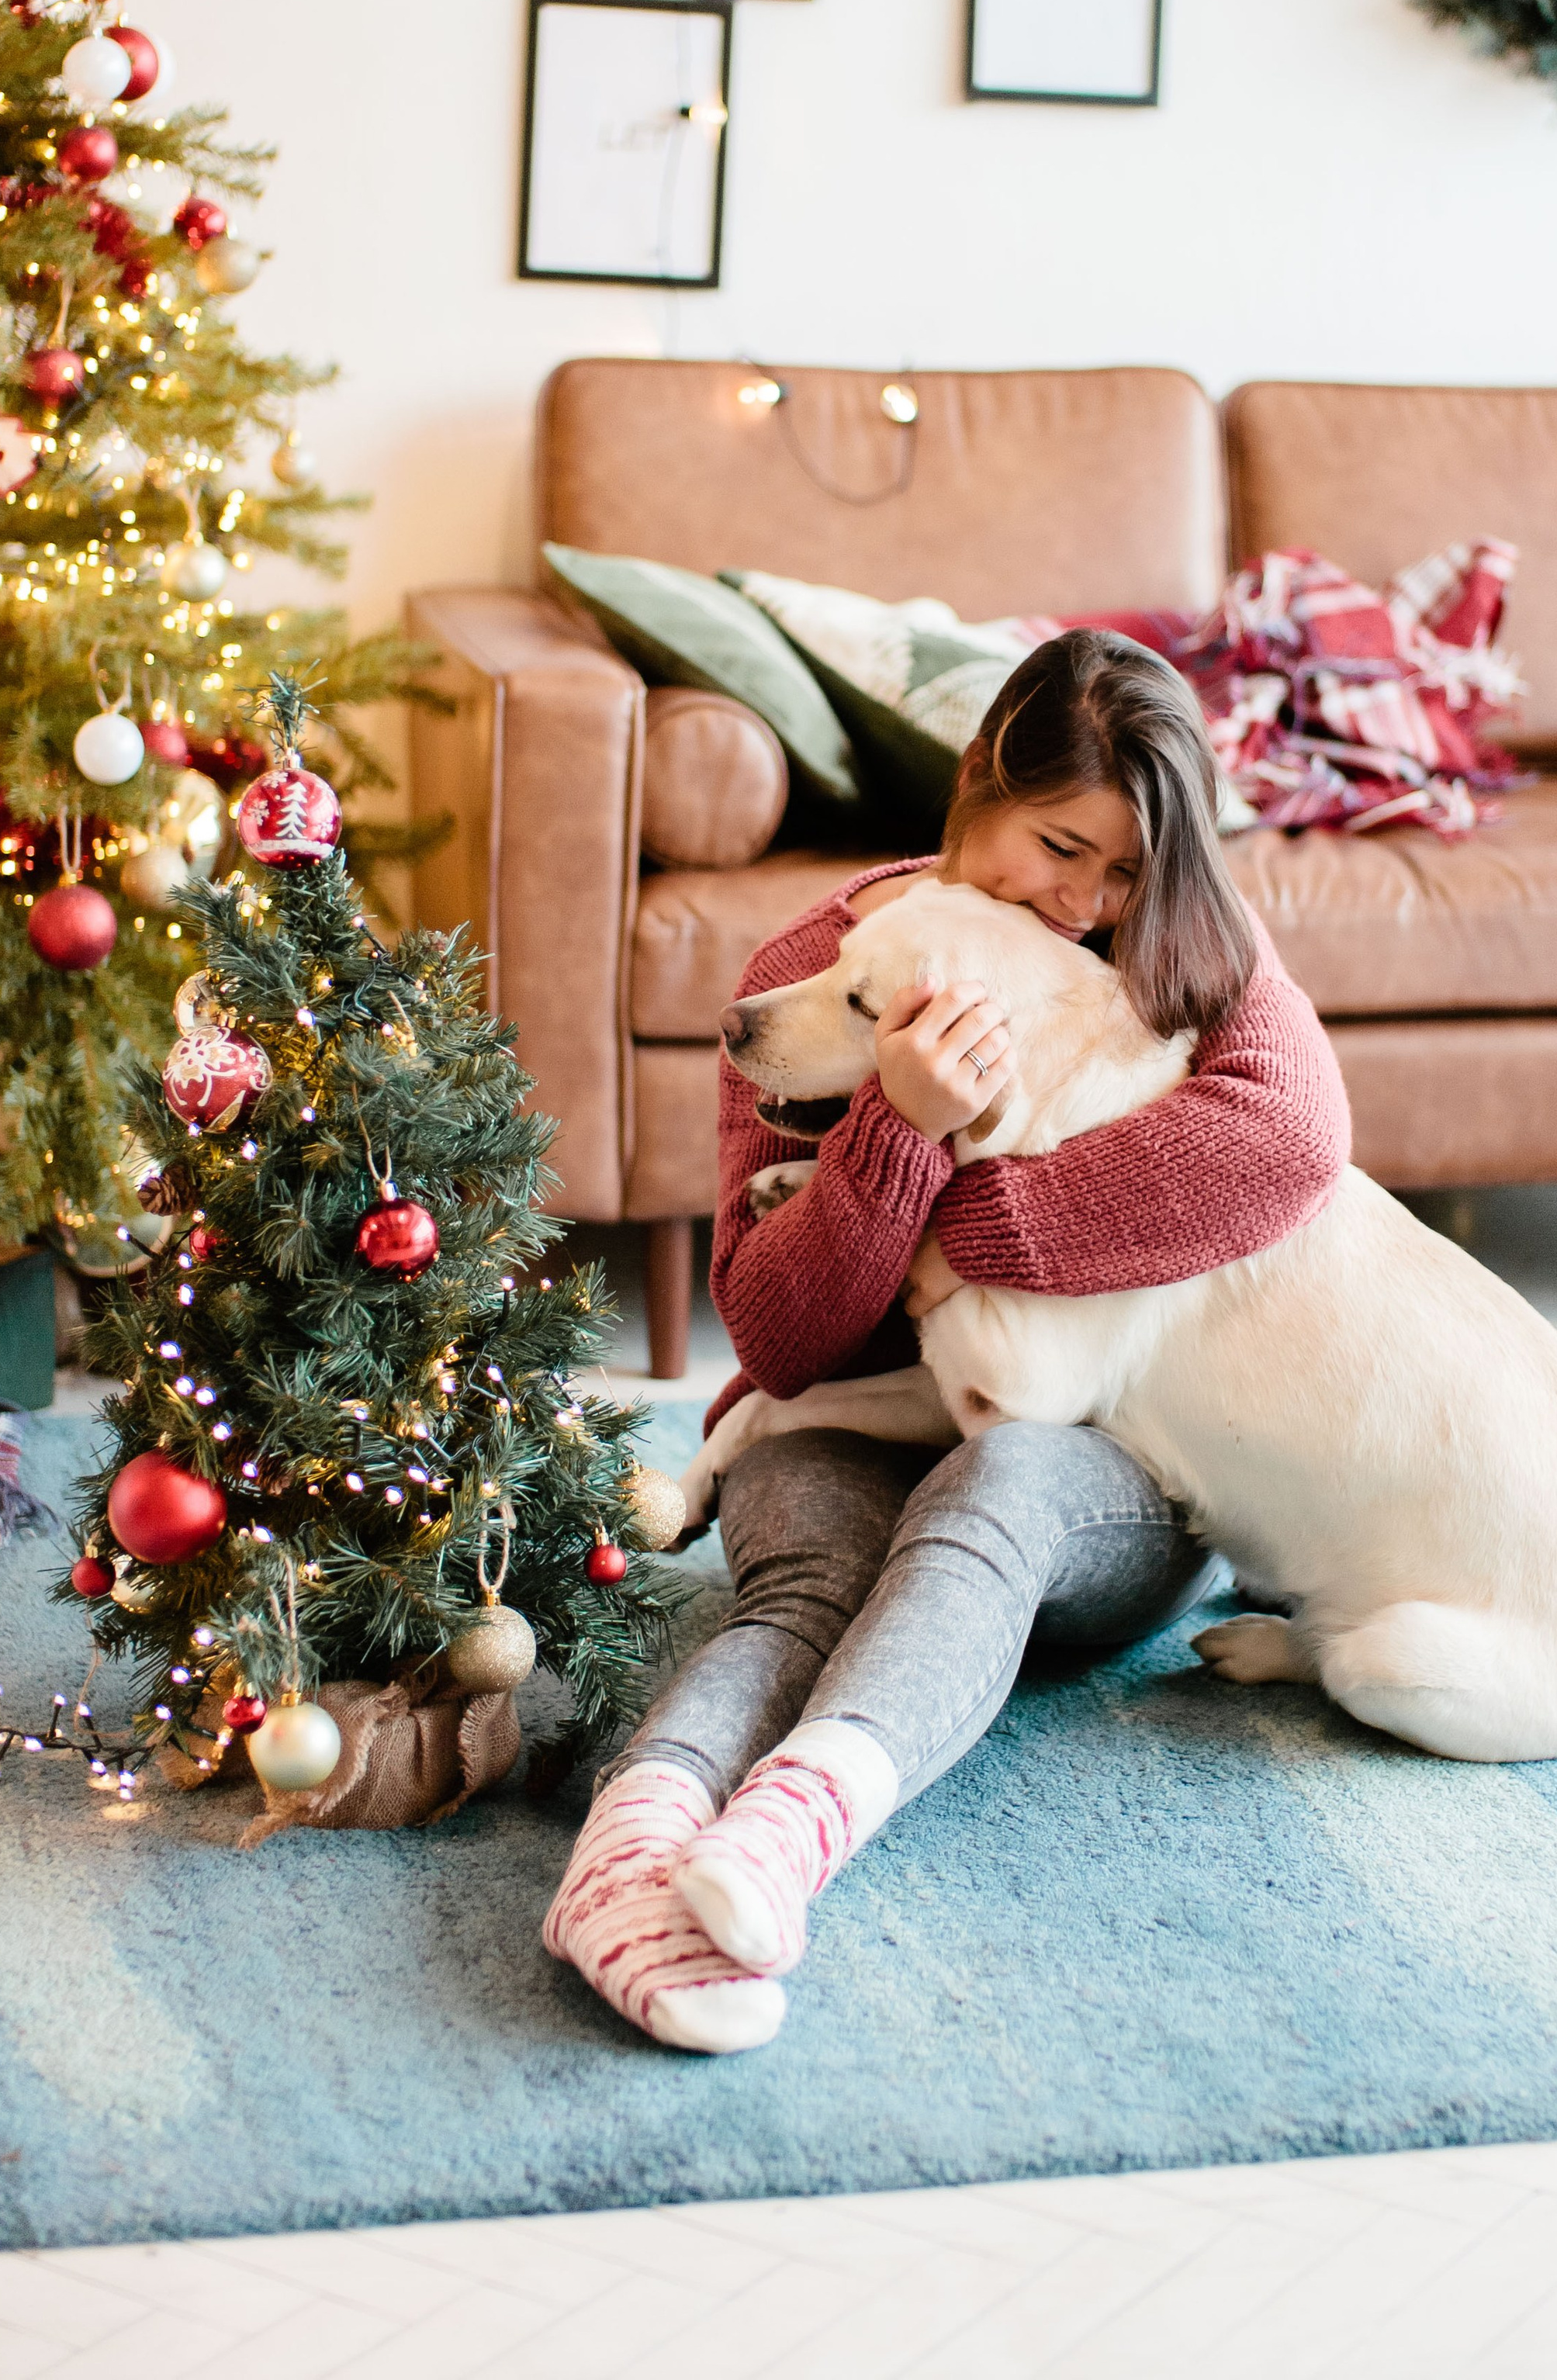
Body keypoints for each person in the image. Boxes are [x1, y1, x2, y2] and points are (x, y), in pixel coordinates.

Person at [544, 628, 1350, 2050]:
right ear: (977, 785)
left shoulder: (1185, 954)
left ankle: (788, 1837)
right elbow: (778, 1330)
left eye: (1124, 872)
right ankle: (629, 1851)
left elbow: (1291, 1140)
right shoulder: (815, 974)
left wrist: (956, 1223)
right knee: (802, 1589)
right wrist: (893, 1133)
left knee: (1002, 1483)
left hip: (1098, 1476)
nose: (1084, 904)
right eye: (1058, 846)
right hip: (847, 1412)